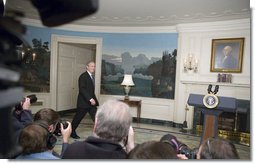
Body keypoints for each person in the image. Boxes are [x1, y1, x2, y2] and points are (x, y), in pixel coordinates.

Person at [62, 99, 135, 159]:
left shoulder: (74, 150)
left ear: (95, 124)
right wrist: (131, 148)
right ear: (126, 132)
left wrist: (65, 141)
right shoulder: (123, 157)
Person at [71, 61, 99, 139]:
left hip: (91, 103)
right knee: (77, 118)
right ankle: (71, 131)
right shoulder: (83, 76)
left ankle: (101, 133)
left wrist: (94, 100)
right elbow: (82, 90)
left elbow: (90, 90)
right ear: (87, 67)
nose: (93, 68)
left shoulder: (91, 76)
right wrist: (90, 99)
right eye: (92, 66)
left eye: (94, 66)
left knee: (97, 117)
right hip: (83, 103)